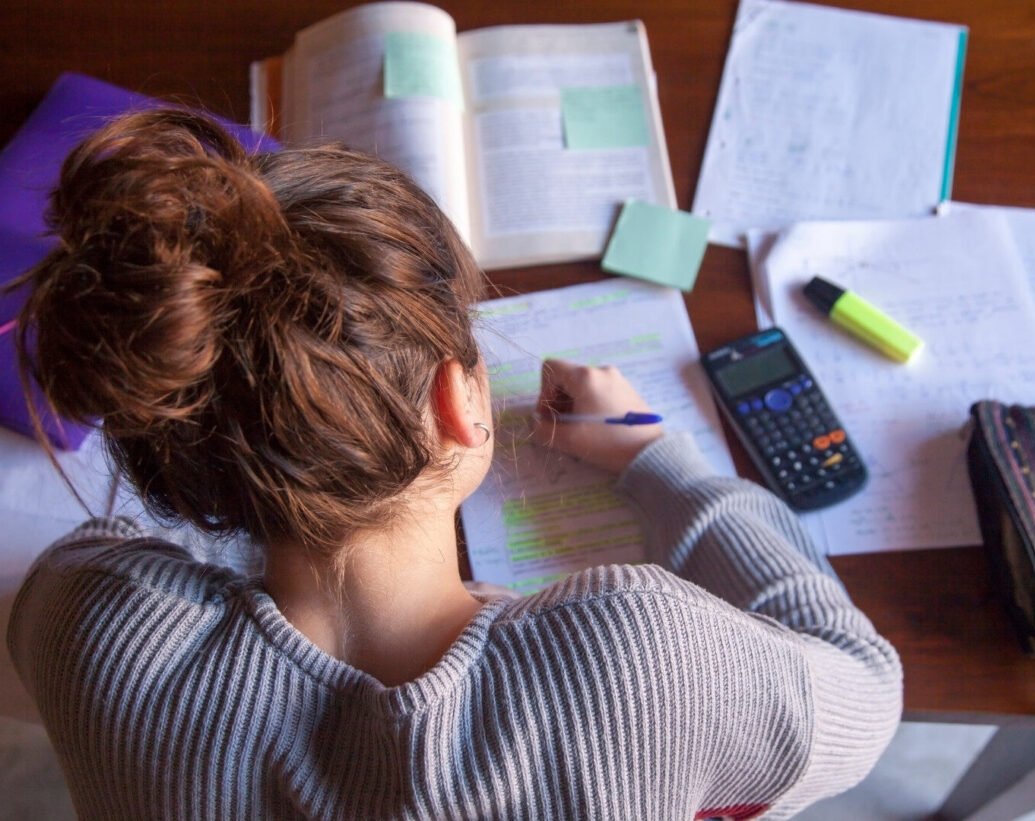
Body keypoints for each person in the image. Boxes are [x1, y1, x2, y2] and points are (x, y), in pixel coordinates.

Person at [6, 109, 901, 821]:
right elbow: (865, 691)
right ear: (458, 403)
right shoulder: (639, 658)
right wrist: (653, 454)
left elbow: (117, 556)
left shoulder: (94, 629)